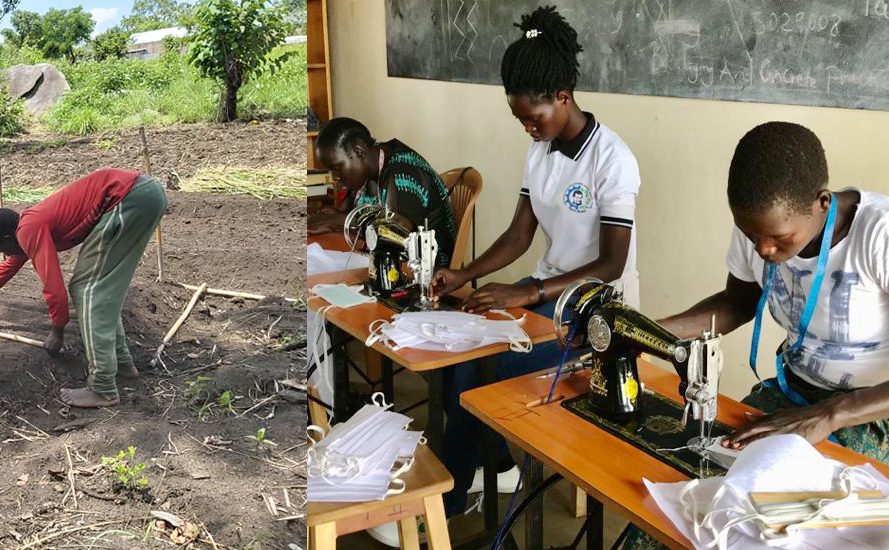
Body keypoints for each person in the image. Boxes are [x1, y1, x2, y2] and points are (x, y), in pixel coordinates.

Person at [406, 6, 644, 544]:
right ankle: (484, 473)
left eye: (534, 117)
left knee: (484, 370)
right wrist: (463, 273)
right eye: (521, 121)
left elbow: (611, 264)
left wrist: (527, 290)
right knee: (459, 360)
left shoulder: (613, 160)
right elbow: (519, 234)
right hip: (548, 299)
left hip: (597, 315)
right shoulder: (540, 152)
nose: (530, 129)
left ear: (563, 96)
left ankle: (450, 496)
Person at [609, 123, 889, 549]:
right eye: (751, 236)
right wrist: (642, 331)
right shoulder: (760, 228)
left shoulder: (879, 234)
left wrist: (831, 414)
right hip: (790, 395)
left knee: (766, 519)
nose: (763, 250)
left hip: (870, 412)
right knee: (687, 496)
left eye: (778, 239)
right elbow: (736, 303)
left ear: (822, 203)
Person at [0, 168, 168, 409]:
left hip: (128, 197)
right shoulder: (27, 225)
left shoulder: (28, 230)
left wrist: (57, 331)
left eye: (1, 250)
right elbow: (11, 264)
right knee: (100, 288)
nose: (5, 255)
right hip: (140, 195)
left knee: (87, 288)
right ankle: (121, 363)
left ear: (8, 239)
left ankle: (103, 388)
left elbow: (54, 289)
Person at [311, 116, 459, 269]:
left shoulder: (404, 173)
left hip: (429, 269)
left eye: (337, 168)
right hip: (388, 262)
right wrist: (334, 217)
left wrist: (338, 221)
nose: (334, 177)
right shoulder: (368, 168)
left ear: (358, 151)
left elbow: (395, 233)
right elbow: (350, 212)